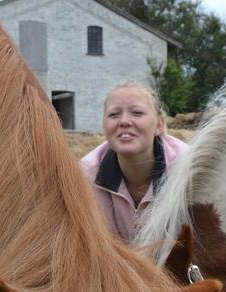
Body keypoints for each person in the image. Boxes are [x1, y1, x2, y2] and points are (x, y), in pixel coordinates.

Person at [80, 82, 188, 243]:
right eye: (113, 115)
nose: (124, 121)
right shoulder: (85, 176)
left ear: (159, 125)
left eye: (137, 113)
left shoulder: (187, 168)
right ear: (104, 126)